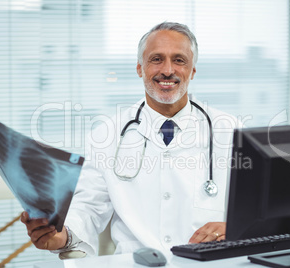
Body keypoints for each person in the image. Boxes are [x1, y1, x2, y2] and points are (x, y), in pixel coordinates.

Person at [21, 22, 240, 256]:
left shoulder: (231, 130)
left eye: (179, 60)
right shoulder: (106, 134)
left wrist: (238, 230)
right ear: (140, 68)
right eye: (156, 59)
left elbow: (259, 213)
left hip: (210, 261)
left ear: (193, 71)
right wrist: (61, 236)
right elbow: (88, 207)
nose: (167, 70)